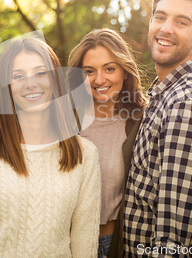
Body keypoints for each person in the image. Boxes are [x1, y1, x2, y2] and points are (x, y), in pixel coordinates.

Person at [0, 36, 101, 257]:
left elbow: (84, 247)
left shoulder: (85, 155)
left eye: (41, 73)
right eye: (18, 76)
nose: (31, 83)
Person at [122, 0, 192, 257]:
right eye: (160, 17)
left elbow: (172, 238)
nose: (165, 29)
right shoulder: (166, 92)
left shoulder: (187, 103)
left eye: (181, 22)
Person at [68, 28, 147, 258]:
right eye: (89, 71)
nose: (99, 79)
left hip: (115, 244)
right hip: (66, 245)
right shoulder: (63, 122)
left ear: (124, 71)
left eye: (109, 69)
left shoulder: (141, 123)